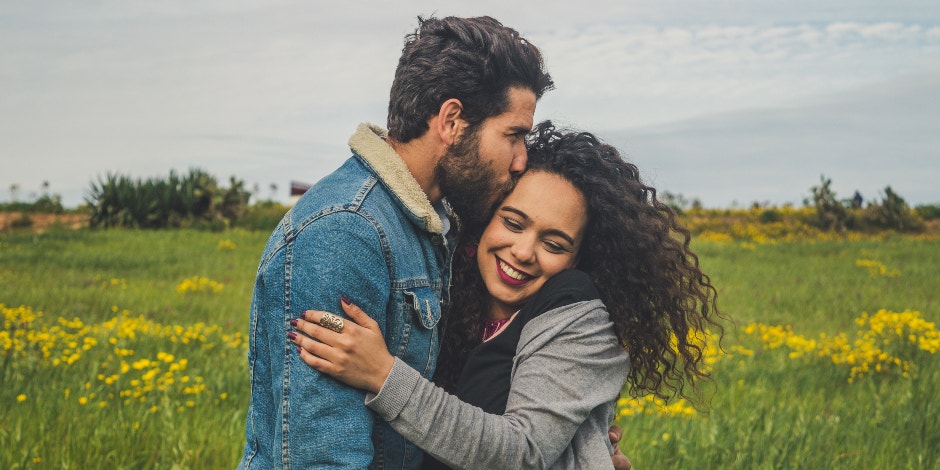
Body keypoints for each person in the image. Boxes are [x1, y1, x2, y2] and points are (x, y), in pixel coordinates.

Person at [291, 122, 724, 469]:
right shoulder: (450, 294)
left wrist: (382, 374)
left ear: (578, 259)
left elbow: (520, 452)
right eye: (513, 223)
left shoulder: (580, 313)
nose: (523, 252)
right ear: (484, 219)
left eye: (554, 244)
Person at [237, 16, 554, 469]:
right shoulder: (346, 234)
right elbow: (322, 457)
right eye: (514, 135)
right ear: (452, 121)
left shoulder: (433, 220)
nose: (522, 160)